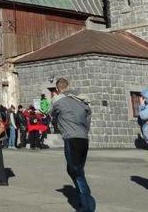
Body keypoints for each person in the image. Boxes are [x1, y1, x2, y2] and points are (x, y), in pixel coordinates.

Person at [51, 77, 95, 212]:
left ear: (58, 89)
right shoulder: (81, 101)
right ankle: (83, 199)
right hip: (83, 138)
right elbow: (88, 117)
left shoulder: (59, 102)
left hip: (71, 138)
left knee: (76, 172)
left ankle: (87, 205)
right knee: (75, 169)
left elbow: (52, 114)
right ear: (68, 86)